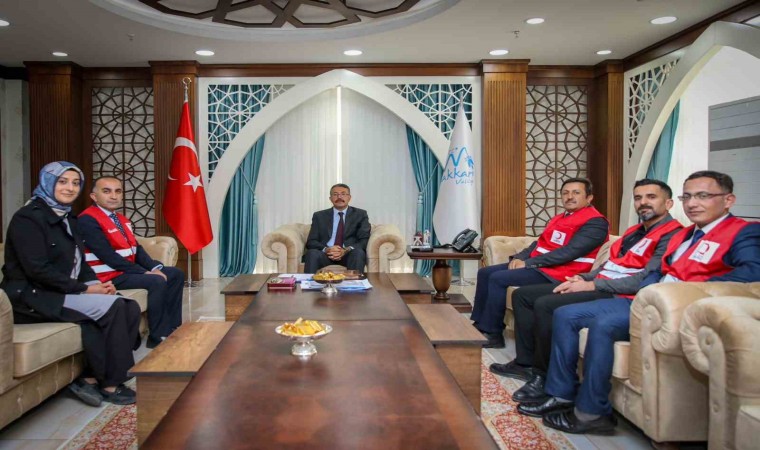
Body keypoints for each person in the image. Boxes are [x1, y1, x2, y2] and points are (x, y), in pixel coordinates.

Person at [538, 170, 760, 434]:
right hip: (649, 299)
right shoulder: (684, 235)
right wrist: (646, 293)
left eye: (703, 196)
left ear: (728, 200)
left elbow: (752, 274)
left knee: (603, 324)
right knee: (565, 314)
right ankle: (561, 393)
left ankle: (591, 413)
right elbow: (657, 271)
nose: (693, 203)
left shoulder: (744, 232)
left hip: (684, 306)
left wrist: (689, 289)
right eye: (688, 196)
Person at [495, 179, 682, 413]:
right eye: (638, 198)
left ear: (669, 203)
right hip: (601, 283)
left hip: (617, 293)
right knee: (524, 296)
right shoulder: (634, 232)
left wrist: (591, 284)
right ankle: (528, 365)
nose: (643, 202)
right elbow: (610, 265)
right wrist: (583, 277)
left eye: (651, 197)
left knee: (546, 305)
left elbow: (645, 278)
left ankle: (543, 378)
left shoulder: (672, 235)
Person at [0, 162, 141, 406]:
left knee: (129, 306)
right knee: (116, 308)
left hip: (61, 291)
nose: (70, 188)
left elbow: (80, 262)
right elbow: (37, 270)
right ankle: (111, 383)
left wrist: (97, 284)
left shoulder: (67, 217)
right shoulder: (28, 218)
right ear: (47, 182)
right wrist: (85, 289)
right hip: (32, 297)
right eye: (62, 181)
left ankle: (89, 378)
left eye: (76, 183)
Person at [471, 178, 610, 348]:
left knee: (498, 278)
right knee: (485, 272)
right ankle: (479, 325)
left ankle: (493, 334)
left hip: (562, 272)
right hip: (543, 266)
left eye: (576, 193)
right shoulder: (559, 218)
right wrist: (519, 258)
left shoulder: (596, 222)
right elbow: (538, 243)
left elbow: (569, 252)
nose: (569, 197)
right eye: (565, 193)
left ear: (589, 198)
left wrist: (529, 263)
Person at [78, 176, 184, 349]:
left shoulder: (121, 220)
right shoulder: (87, 220)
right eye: (107, 191)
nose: (113, 196)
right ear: (94, 196)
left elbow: (136, 249)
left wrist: (155, 267)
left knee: (175, 274)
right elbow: (107, 255)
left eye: (118, 191)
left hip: (124, 272)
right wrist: (144, 272)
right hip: (107, 276)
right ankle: (158, 336)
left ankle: (173, 328)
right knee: (156, 280)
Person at [304, 183, 371, 273]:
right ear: (330, 198)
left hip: (348, 254)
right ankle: (308, 282)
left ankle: (355, 281)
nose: (339, 197)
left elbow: (364, 240)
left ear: (349, 197)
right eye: (335, 194)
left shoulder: (360, 214)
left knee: (358, 253)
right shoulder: (319, 216)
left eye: (343, 194)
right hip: (326, 254)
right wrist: (326, 249)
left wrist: (345, 250)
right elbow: (311, 241)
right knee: (311, 253)